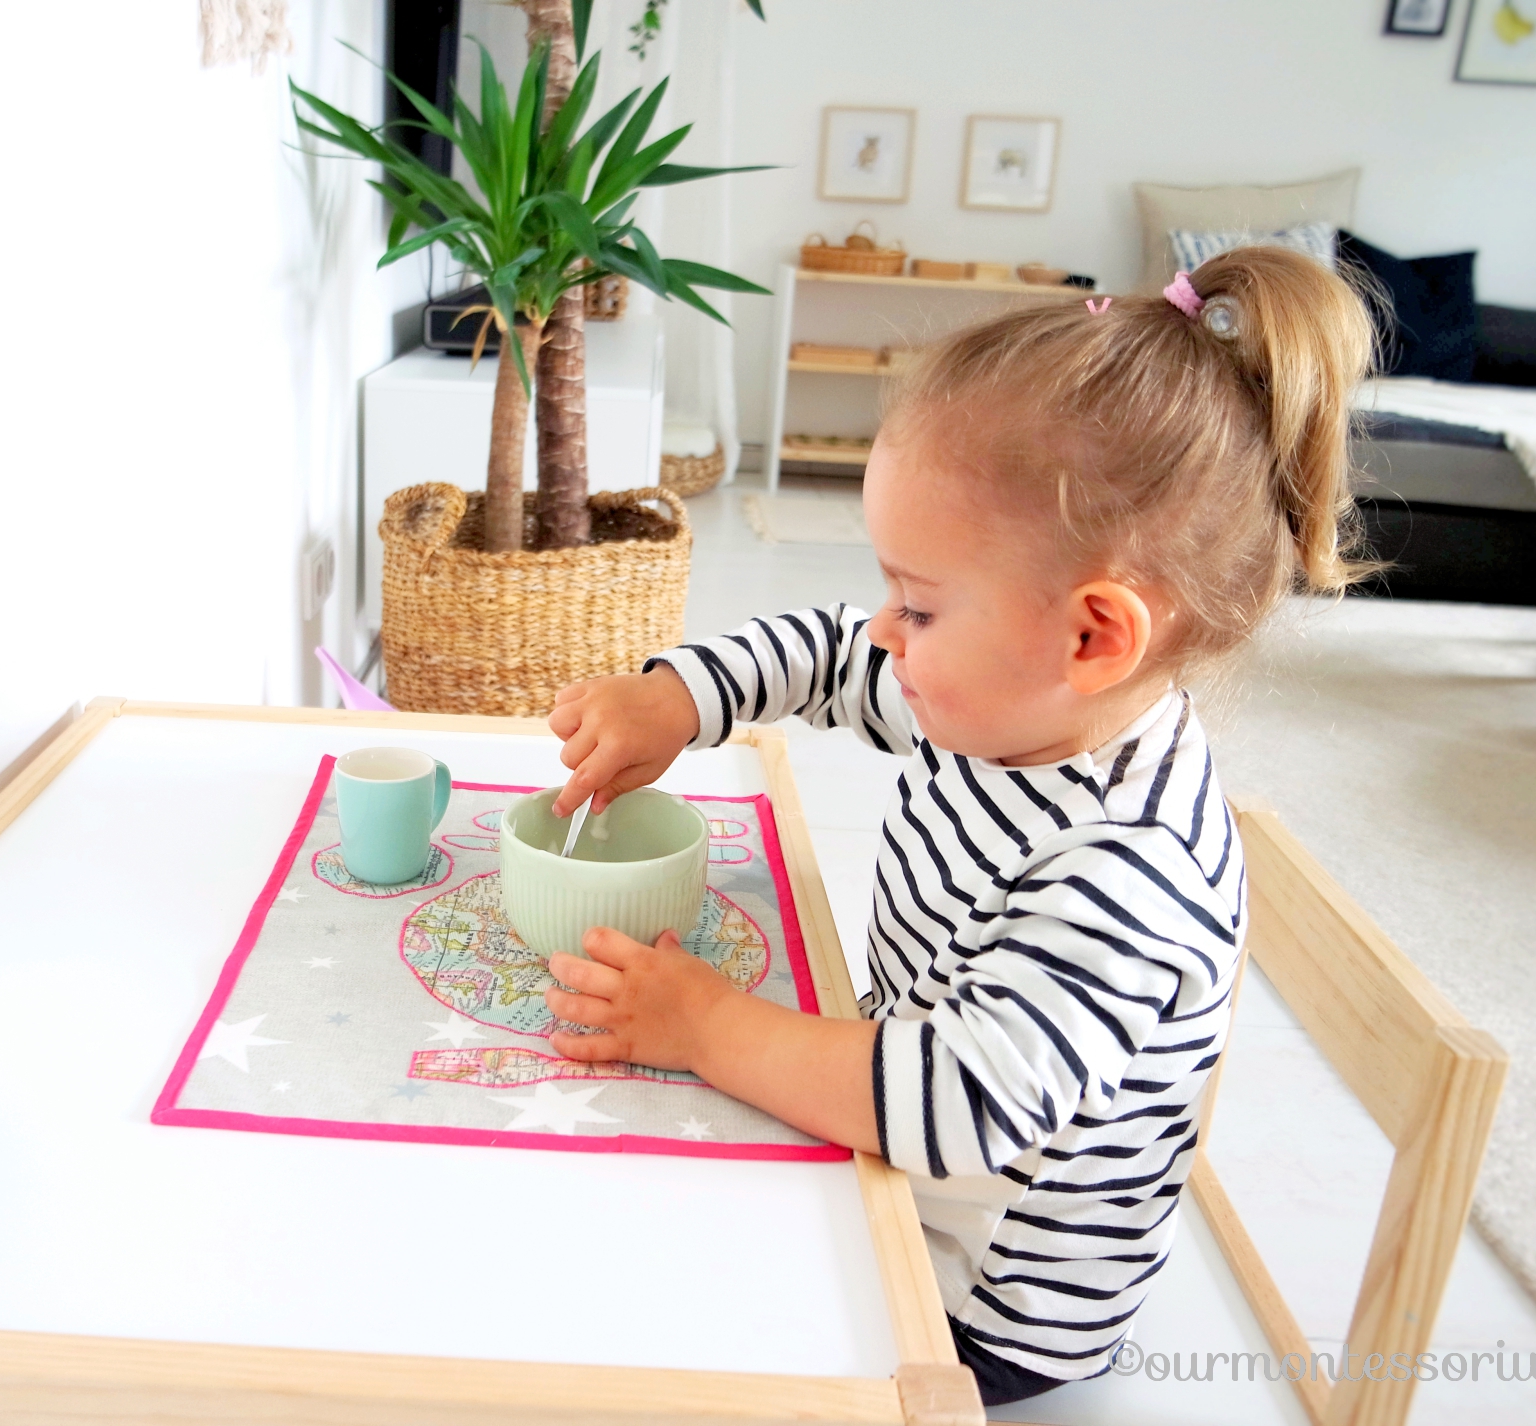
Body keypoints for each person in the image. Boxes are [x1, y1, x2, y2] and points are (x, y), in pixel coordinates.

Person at [541, 248, 1374, 1405]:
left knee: (619, 1299)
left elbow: (953, 1106)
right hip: (905, 1147)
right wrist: (682, 694)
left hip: (981, 1302)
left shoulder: (1131, 870)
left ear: (1091, 637)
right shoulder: (1008, 700)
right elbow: (835, 652)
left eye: (919, 603)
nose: (886, 630)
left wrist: (707, 1027)